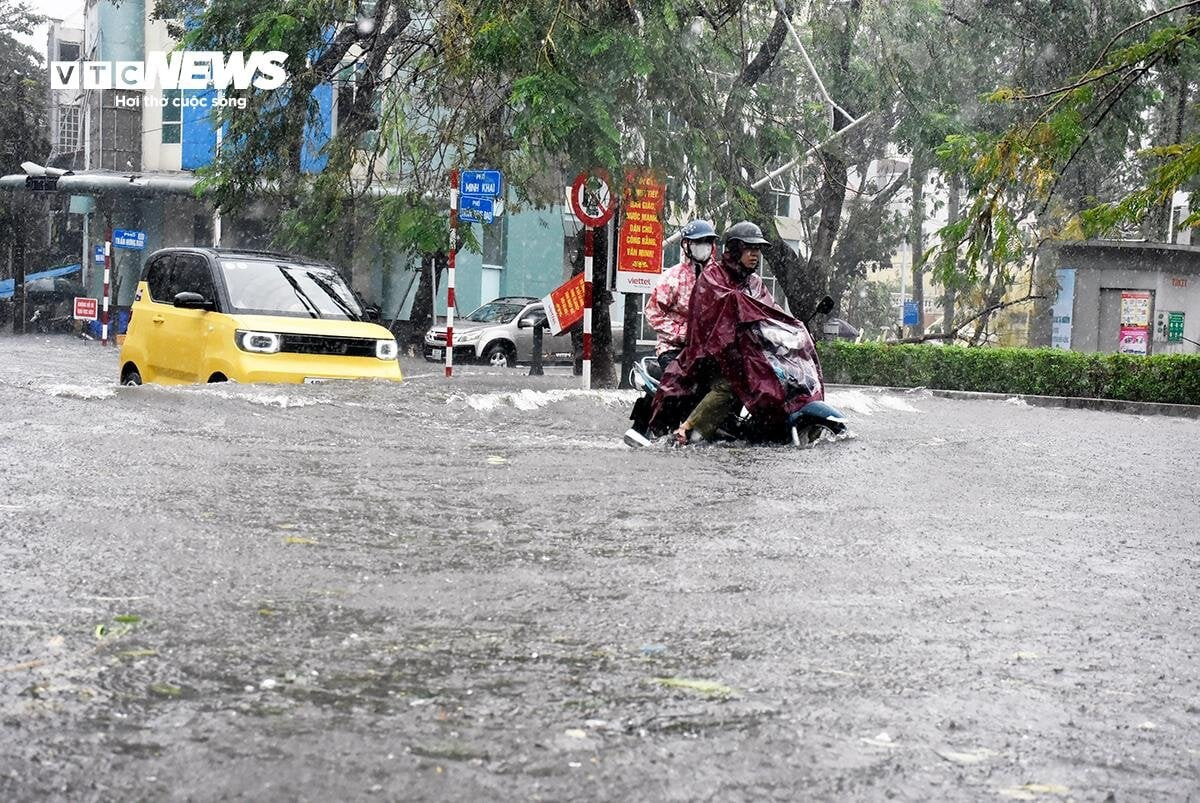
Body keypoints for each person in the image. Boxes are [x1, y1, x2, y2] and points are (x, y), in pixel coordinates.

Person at [647, 220, 824, 445]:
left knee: (767, 381)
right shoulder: (711, 277)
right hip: (703, 350)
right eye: (749, 249)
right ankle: (686, 429)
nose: (755, 255)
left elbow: (770, 311)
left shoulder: (754, 282)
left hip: (738, 351)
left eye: (758, 249)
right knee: (730, 384)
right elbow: (709, 318)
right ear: (734, 249)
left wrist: (792, 328)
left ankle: (753, 432)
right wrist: (685, 335)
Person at [644, 219, 719, 370]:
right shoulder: (672, 277)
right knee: (680, 383)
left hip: (711, 349)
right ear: (687, 245)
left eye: (707, 241)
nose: (703, 246)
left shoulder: (720, 277)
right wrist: (684, 335)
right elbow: (653, 314)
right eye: (698, 241)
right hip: (673, 349)